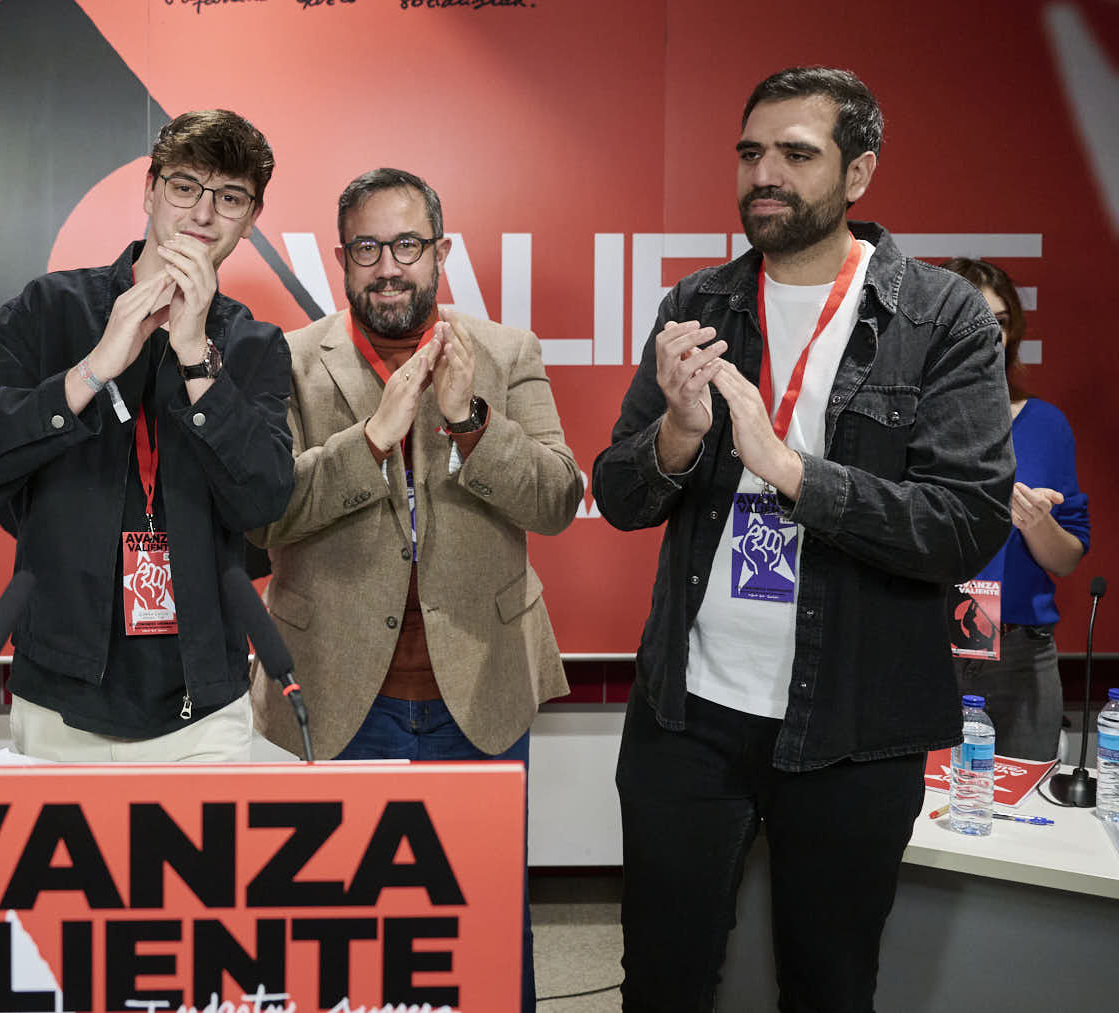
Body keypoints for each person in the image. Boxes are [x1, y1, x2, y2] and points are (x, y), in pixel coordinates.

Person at [590, 68, 1013, 1010]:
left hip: (856, 729)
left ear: (858, 172)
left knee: (826, 983)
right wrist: (679, 436)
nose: (764, 174)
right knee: (661, 978)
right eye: (750, 153)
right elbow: (618, 494)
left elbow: (967, 523)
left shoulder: (939, 319)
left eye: (795, 153)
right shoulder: (695, 303)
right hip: (686, 716)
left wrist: (790, 471)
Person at [249, 167, 580, 1012]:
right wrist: (370, 440)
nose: (388, 267)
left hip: (481, 687)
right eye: (368, 247)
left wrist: (471, 420)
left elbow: (556, 499)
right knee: (336, 932)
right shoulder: (286, 360)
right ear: (341, 258)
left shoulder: (506, 353)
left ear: (440, 252)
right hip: (332, 692)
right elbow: (260, 518)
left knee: (485, 926)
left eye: (407, 245)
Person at [0, 110, 293, 762]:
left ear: (250, 218)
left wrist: (196, 362)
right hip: (60, 693)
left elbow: (264, 501)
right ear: (151, 190)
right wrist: (93, 368)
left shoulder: (253, 344)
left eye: (231, 198)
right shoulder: (52, 309)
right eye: (186, 187)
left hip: (202, 703)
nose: (204, 213)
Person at [943, 257, 1089, 760]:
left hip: (1020, 655)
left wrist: (1035, 523)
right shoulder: (906, 419)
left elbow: (1067, 558)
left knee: (1021, 818)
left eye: (1000, 322)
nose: (988, 334)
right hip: (921, 646)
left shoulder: (1047, 424)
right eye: (972, 317)